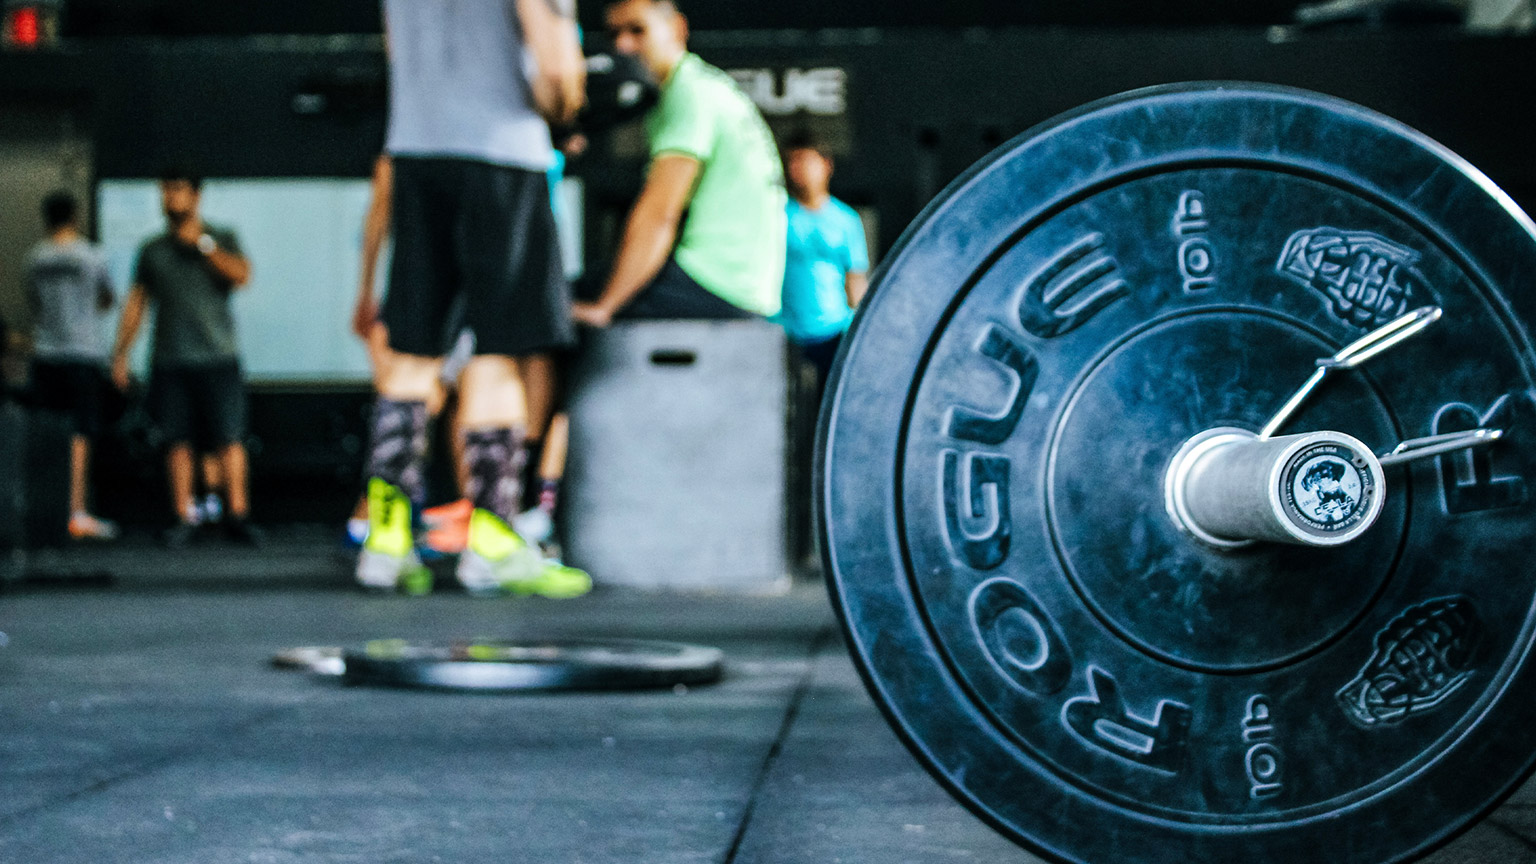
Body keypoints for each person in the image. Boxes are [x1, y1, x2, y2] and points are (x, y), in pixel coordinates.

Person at [355, 0, 590, 597]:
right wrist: (566, 109)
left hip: (416, 149)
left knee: (412, 350)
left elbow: (395, 53)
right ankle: (492, 542)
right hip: (502, 152)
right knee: (498, 351)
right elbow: (558, 70)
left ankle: (384, 542)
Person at [571, 0, 786, 326]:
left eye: (637, 30)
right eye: (613, 34)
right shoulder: (704, 85)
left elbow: (659, 215)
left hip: (716, 284)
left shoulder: (687, 93)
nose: (622, 45)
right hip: (749, 288)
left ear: (677, 29)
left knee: (547, 308)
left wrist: (605, 306)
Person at [110, 168, 262, 547]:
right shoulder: (152, 250)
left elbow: (243, 276)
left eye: (177, 190)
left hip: (218, 355)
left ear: (195, 195)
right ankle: (184, 516)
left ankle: (237, 515)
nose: (169, 198)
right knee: (177, 440)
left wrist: (204, 246)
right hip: (171, 358)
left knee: (230, 437)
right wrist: (121, 354)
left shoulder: (220, 238)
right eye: (165, 190)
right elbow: (137, 303)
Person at [23, 190, 119, 540]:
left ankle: (46, 513)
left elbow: (34, 301)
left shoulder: (35, 258)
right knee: (79, 435)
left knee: (47, 434)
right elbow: (107, 299)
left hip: (46, 355)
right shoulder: (91, 256)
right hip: (82, 354)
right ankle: (75, 512)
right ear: (75, 217)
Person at [776, 130, 869, 395]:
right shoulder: (777, 216)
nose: (798, 169)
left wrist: (860, 332)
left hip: (833, 334)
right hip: (786, 335)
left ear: (826, 164)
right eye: (793, 161)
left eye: (806, 160)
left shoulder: (846, 220)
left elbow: (856, 282)